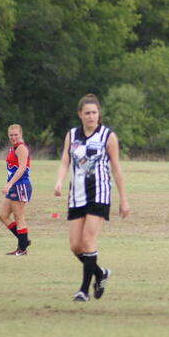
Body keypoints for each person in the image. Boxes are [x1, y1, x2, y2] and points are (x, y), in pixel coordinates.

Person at [54, 93, 130, 301]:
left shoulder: (107, 136)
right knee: (75, 246)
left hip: (99, 194)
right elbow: (64, 162)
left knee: (88, 240)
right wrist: (59, 181)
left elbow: (116, 169)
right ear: (80, 114)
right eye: (87, 113)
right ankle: (100, 272)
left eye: (94, 113)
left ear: (99, 114)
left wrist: (123, 199)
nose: (91, 116)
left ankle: (83, 291)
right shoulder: (72, 135)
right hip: (76, 196)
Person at [0, 124, 32, 255]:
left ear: (21, 134)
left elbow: (22, 168)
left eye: (16, 135)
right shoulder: (12, 148)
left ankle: (22, 249)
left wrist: (9, 184)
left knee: (19, 217)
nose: (13, 137)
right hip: (14, 186)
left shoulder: (21, 148)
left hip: (20, 185)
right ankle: (23, 240)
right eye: (11, 135)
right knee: (3, 215)